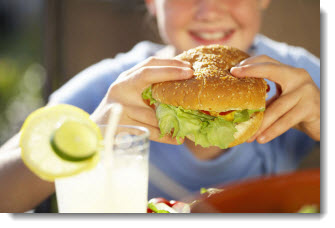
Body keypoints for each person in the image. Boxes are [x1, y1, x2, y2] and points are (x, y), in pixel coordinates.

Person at [0, 0, 320, 212]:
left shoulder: (298, 77)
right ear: (153, 2)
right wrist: (89, 133)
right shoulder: (114, 85)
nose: (208, 9)